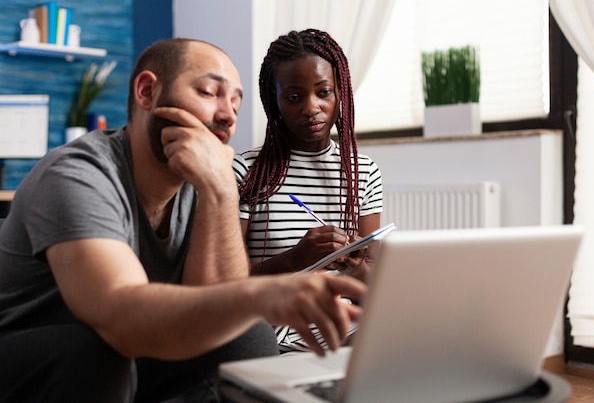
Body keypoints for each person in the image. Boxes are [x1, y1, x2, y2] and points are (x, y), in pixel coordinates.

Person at [0, 38, 366, 403]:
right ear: (147, 92)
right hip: (39, 353)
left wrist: (221, 190)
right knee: (97, 352)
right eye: (209, 92)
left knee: (246, 334)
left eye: (235, 102)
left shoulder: (201, 183)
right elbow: (120, 319)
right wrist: (265, 293)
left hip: (127, 354)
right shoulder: (79, 173)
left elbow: (218, 308)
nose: (227, 115)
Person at [233, 29, 383, 352]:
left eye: (323, 92)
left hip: (345, 328)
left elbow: (372, 287)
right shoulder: (246, 172)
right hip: (272, 332)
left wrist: (355, 266)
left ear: (340, 93)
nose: (311, 107)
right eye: (294, 97)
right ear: (275, 101)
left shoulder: (364, 172)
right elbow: (226, 283)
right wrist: (296, 259)